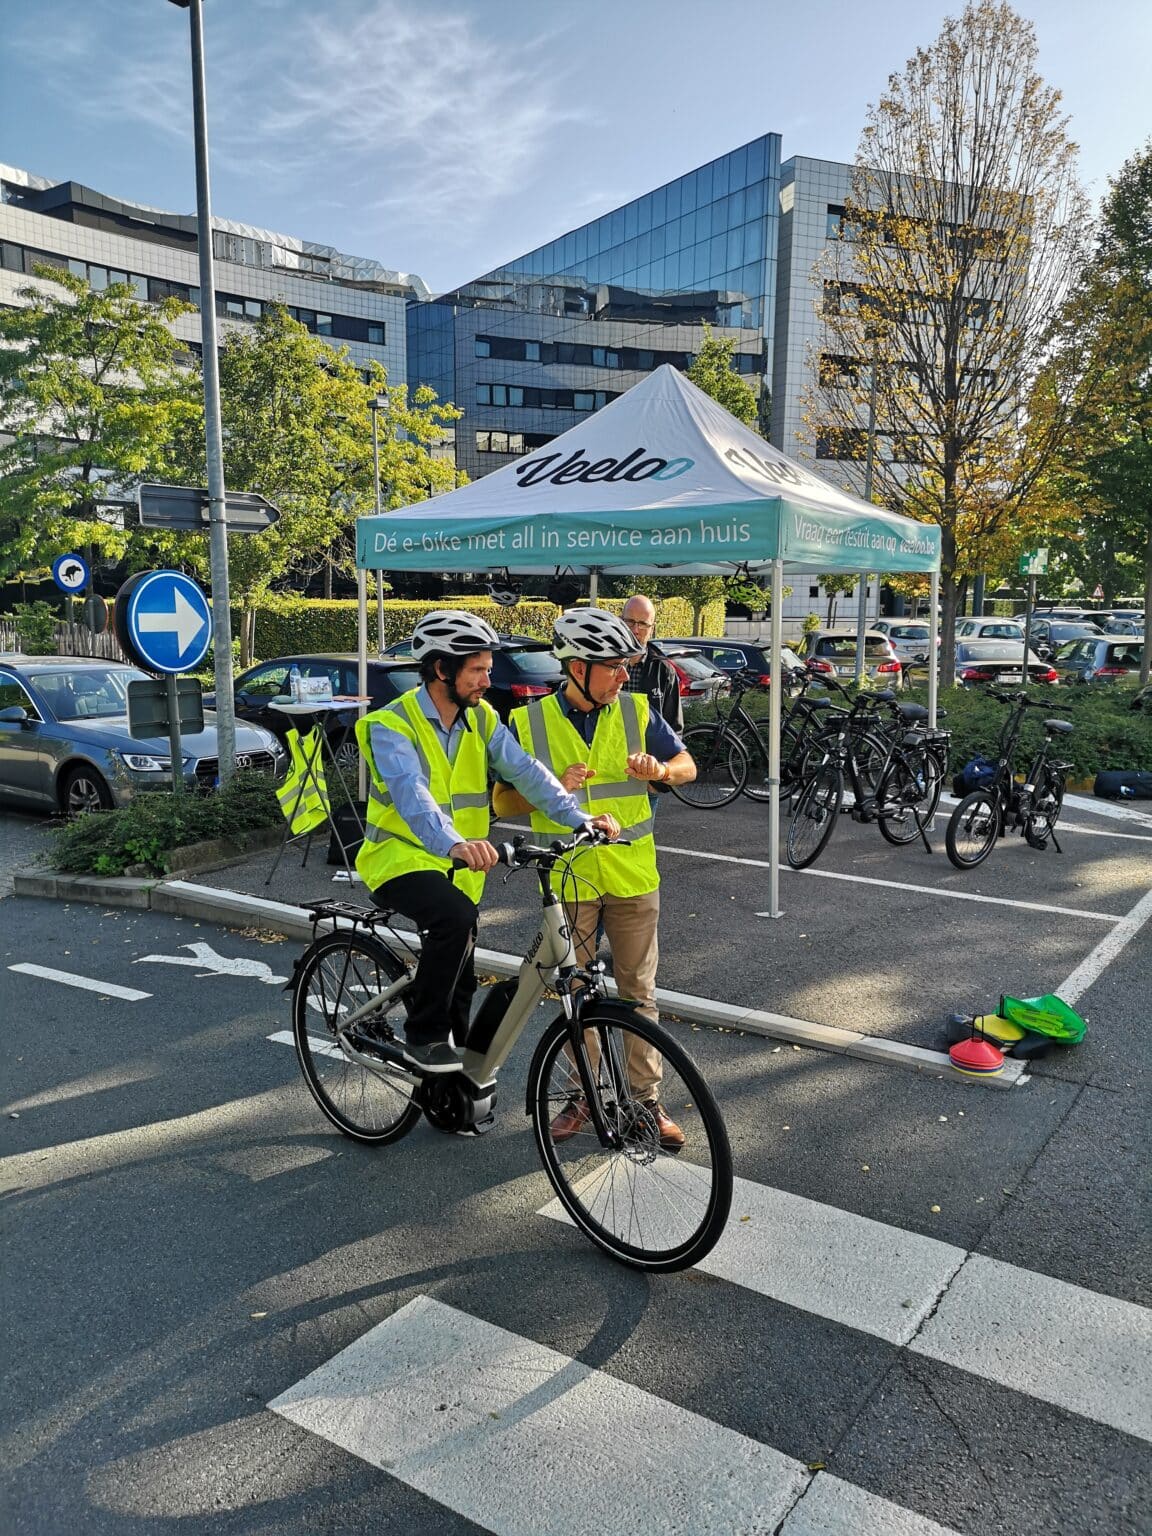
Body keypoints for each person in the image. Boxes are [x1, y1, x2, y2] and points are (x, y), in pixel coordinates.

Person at [354, 610, 618, 1074]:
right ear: (442, 669)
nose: (486, 680)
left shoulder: (481, 718)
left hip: (461, 867)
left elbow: (526, 771)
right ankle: (422, 1037)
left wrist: (578, 819)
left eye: (488, 669)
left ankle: (449, 1095)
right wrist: (454, 843)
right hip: (399, 859)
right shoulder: (391, 725)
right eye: (477, 670)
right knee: (454, 919)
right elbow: (412, 795)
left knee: (461, 984)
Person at [494, 607, 696, 1148]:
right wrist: (550, 786)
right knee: (575, 997)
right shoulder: (528, 722)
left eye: (627, 665)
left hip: (632, 874)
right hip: (569, 878)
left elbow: (688, 766)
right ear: (578, 668)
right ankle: (584, 1097)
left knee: (638, 993)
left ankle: (645, 1103)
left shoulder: (636, 709)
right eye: (614, 666)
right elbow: (502, 801)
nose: (625, 675)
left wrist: (661, 771)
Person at [621, 593, 684, 733]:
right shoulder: (604, 664)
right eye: (630, 621)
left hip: (649, 747)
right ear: (620, 621)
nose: (635, 630)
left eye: (643, 624)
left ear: (652, 629)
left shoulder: (664, 671)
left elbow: (674, 728)